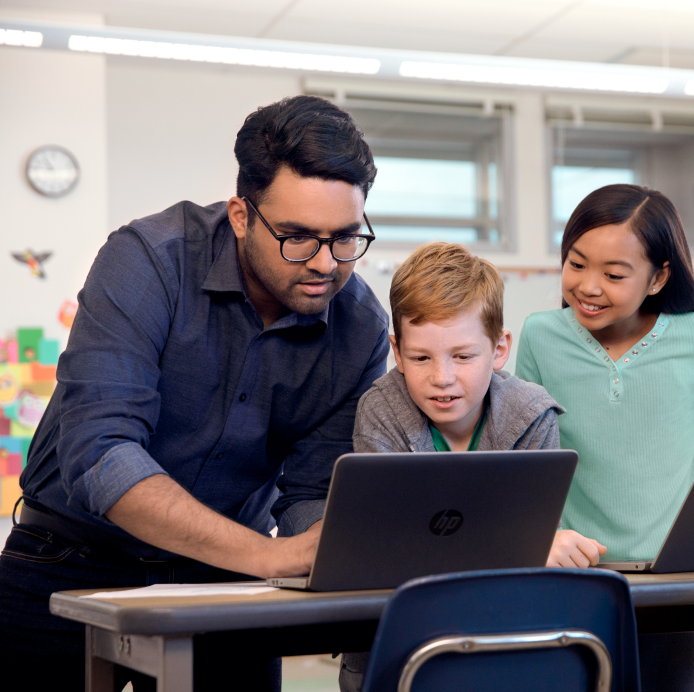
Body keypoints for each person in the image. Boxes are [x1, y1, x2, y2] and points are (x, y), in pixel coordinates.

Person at [0, 95, 390, 692]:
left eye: (344, 238)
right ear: (241, 215)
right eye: (297, 238)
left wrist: (324, 550)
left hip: (222, 575)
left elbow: (312, 489)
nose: (324, 264)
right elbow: (101, 454)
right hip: (67, 558)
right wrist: (269, 557)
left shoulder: (360, 326)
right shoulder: (147, 262)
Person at [516, 184, 694, 692]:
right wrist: (542, 537)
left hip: (672, 579)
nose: (587, 285)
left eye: (614, 274)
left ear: (658, 277)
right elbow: (530, 453)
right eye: (576, 264)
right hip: (577, 577)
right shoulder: (540, 334)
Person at [339, 241, 564, 691]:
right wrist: (522, 543)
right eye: (421, 357)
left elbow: (532, 547)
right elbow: (391, 543)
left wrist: (542, 542)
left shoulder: (533, 414)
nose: (442, 377)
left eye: (463, 356)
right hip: (394, 642)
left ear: (500, 349)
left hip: (503, 638)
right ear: (397, 353)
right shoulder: (381, 411)